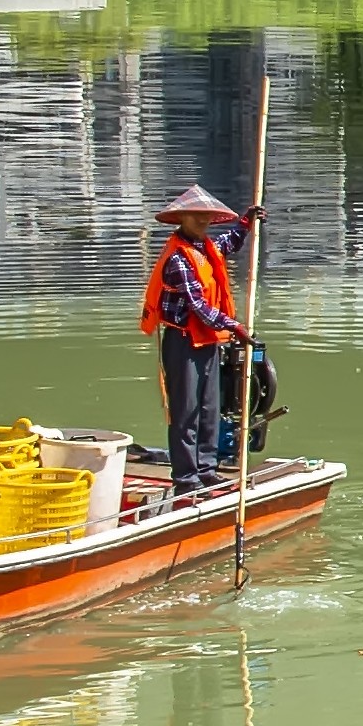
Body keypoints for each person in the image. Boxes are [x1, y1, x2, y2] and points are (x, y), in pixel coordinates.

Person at [138, 186, 263, 495]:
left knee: (209, 408)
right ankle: (186, 478)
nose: (204, 220)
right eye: (197, 215)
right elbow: (198, 306)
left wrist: (247, 222)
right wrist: (235, 327)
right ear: (183, 217)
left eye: (207, 216)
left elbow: (228, 244)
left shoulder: (205, 247)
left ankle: (206, 470)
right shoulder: (178, 258)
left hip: (207, 340)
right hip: (182, 342)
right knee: (186, 411)